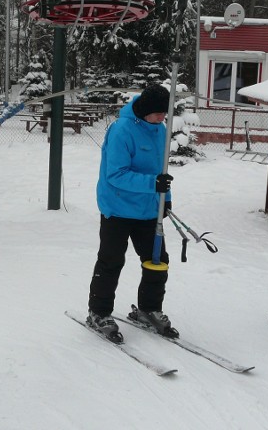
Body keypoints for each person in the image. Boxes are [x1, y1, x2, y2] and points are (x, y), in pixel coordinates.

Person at [86, 84, 176, 343]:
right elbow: (115, 175)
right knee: (112, 260)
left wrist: (165, 199)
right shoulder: (121, 130)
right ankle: (98, 312)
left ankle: (149, 308)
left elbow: (163, 172)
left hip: (148, 210)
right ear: (145, 109)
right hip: (118, 208)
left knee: (157, 260)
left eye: (164, 113)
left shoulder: (160, 131)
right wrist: (152, 185)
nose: (162, 118)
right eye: (158, 113)